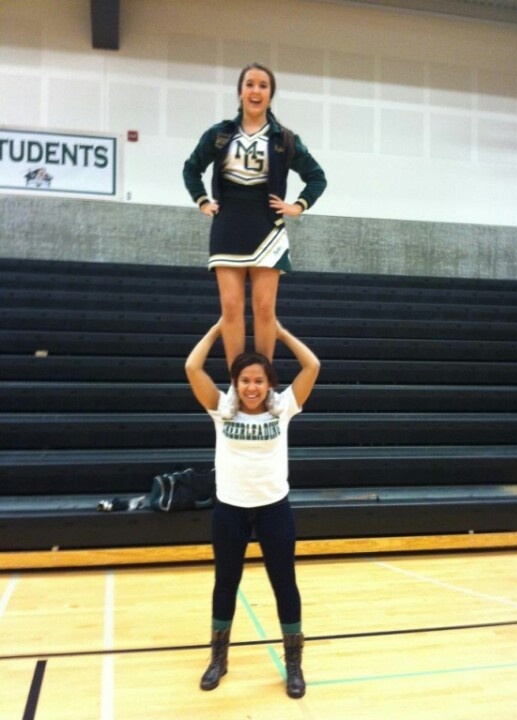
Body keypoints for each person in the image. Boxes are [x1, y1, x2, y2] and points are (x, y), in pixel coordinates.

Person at [184, 317, 320, 699]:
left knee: (284, 584)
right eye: (245, 380)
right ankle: (218, 658)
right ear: (235, 383)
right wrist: (217, 330)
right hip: (230, 510)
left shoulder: (283, 409)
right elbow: (192, 368)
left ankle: (294, 663)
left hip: (274, 509)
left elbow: (313, 366)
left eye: (259, 380)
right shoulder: (221, 409)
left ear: (269, 384)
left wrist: (280, 333)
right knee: (225, 583)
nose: (252, 387)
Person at [183, 62, 326, 416]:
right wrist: (202, 201)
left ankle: (266, 388)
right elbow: (191, 167)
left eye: (263, 85)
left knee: (264, 310)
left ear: (270, 94)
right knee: (231, 309)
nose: (256, 90)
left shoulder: (284, 138)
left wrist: (297, 206)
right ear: (240, 91)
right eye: (250, 84)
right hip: (228, 224)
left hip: (268, 227)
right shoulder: (219, 134)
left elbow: (317, 177)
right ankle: (236, 386)